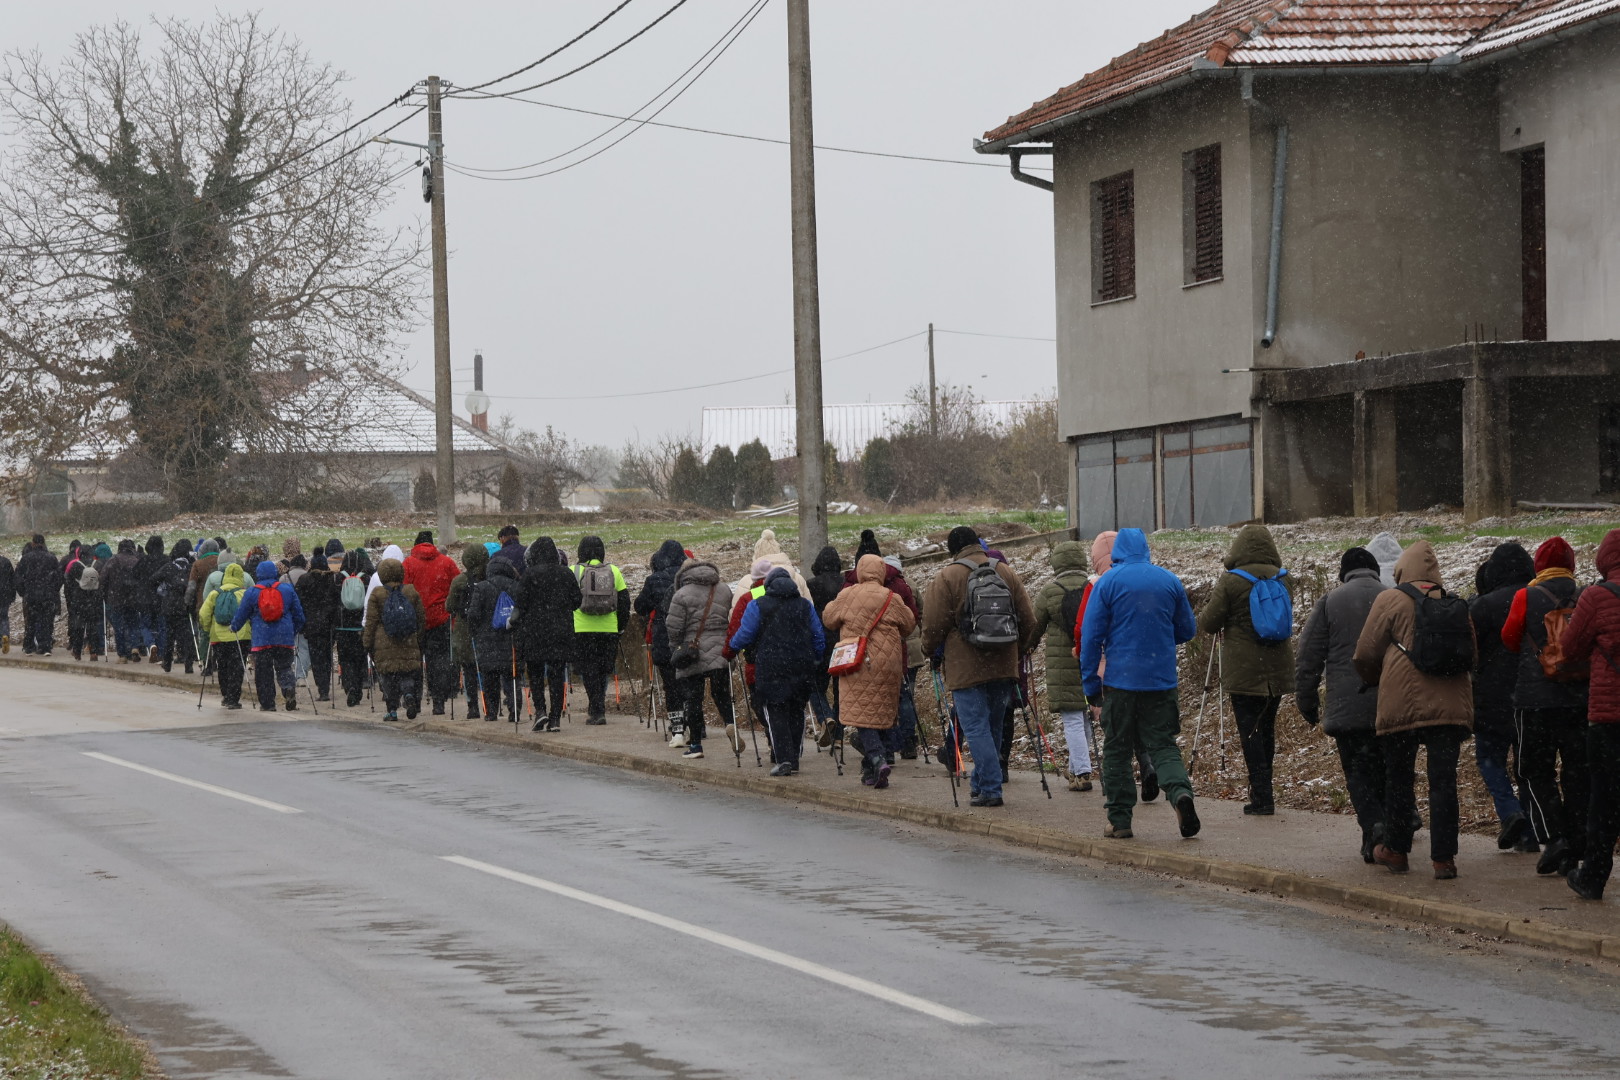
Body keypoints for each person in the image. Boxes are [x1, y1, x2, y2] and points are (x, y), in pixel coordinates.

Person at [1353, 541, 1474, 879]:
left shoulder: (1390, 599)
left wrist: (1377, 679)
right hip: (1450, 707)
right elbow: (1473, 653)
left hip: (1401, 704)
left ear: (1402, 569)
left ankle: (1396, 850)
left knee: (1399, 779)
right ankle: (1444, 860)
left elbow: (1364, 652)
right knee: (1444, 782)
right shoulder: (1453, 604)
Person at [1079, 528, 1201, 839]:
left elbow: (1091, 638)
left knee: (1117, 749)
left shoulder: (1107, 583)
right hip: (1160, 682)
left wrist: (1091, 686)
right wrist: (1157, 637)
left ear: (1117, 551)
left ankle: (1120, 820)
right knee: (1162, 744)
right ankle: (1180, 796)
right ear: (1146, 549)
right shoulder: (1169, 580)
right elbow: (1187, 629)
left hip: (1120, 683)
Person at [921, 526, 1039, 809]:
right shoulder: (1005, 572)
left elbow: (934, 625)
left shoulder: (948, 576)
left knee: (975, 727)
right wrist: (1018, 650)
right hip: (1004, 663)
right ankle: (980, 784)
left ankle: (990, 788)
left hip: (966, 666)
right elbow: (1029, 621)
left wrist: (929, 650)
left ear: (953, 549)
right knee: (993, 726)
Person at [1502, 536, 1591, 877]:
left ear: (1538, 565)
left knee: (1533, 771)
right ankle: (1577, 840)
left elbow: (1510, 639)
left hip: (1535, 700)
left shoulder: (1526, 595)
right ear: (1571, 564)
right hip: (1578, 698)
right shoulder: (1584, 595)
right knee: (1577, 772)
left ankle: (1554, 837)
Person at [1198, 524, 1297, 815]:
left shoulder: (1231, 581)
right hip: (1277, 669)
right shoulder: (1285, 578)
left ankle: (1262, 797)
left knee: (1250, 732)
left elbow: (1208, 622)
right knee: (1266, 730)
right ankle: (1266, 792)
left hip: (1244, 672)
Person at [1296, 547, 1388, 862]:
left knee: (1358, 771)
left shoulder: (1330, 602)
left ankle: (1373, 827)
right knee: (1388, 769)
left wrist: (1306, 697)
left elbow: (1309, 655)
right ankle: (1392, 826)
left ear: (1343, 573)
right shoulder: (1392, 598)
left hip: (1348, 708)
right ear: (1375, 570)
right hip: (1389, 704)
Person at [1558, 528, 1620, 900]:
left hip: (1608, 717)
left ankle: (1594, 876)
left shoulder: (1596, 597)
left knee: (1605, 799)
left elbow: (1569, 648)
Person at [823, 554, 917, 787]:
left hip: (858, 661)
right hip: (888, 663)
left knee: (861, 713)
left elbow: (829, 619)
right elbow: (909, 623)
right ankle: (872, 771)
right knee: (883, 712)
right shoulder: (891, 597)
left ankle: (876, 756)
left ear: (860, 571)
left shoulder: (847, 594)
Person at [1469, 542, 1538, 853]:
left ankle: (1510, 812)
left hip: (1491, 699)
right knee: (1528, 766)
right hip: (1533, 696)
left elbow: (1470, 654)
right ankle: (1531, 833)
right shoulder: (1540, 598)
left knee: (1490, 761)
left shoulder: (1483, 606)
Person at [730, 567, 826, 777]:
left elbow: (745, 634)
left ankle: (784, 759)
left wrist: (732, 646)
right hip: (801, 665)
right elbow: (818, 635)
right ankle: (794, 757)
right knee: (796, 709)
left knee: (776, 711)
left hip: (771, 666)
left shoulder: (758, 604)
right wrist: (816, 658)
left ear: (768, 585)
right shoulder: (804, 605)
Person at [1029, 540, 1093, 791]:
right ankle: (1077, 769)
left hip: (1062, 662)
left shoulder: (1050, 591)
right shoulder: (1093, 587)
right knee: (1085, 717)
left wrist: (1026, 649)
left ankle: (1084, 772)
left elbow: (1035, 628)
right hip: (1090, 659)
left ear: (1057, 563)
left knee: (1073, 719)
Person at [663, 557, 735, 759]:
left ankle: (696, 745)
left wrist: (676, 647)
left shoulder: (681, 594)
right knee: (721, 694)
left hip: (692, 651)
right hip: (720, 650)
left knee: (693, 699)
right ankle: (731, 724)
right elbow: (732, 617)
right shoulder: (724, 590)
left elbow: (673, 626)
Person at [517, 537, 581, 731]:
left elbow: (521, 604)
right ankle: (555, 718)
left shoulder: (529, 575)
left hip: (535, 631)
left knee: (535, 673)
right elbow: (577, 601)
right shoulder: (565, 574)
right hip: (560, 631)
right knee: (556, 675)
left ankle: (540, 711)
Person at [232, 559, 307, 712]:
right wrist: (293, 631)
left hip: (261, 639)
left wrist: (234, 626)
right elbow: (299, 616)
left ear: (258, 574)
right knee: (284, 667)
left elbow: (242, 614)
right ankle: (287, 689)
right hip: (284, 637)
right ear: (275, 572)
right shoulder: (286, 589)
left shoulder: (252, 592)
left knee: (263, 672)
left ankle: (268, 704)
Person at [570, 536, 630, 726]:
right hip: (608, 629)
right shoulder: (613, 571)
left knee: (588, 670)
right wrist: (620, 627)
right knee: (603, 669)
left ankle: (595, 707)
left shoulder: (574, 571)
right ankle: (599, 705)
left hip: (582, 629)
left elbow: (567, 601)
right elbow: (624, 602)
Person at [362, 556, 426, 722]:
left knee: (389, 678)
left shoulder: (378, 594)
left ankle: (392, 711)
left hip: (384, 642)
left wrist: (367, 642)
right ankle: (409, 694)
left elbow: (371, 622)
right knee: (406, 674)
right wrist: (418, 639)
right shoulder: (411, 591)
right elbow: (420, 618)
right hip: (408, 640)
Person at [634, 539, 690, 727]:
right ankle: (696, 725)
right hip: (688, 638)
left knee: (670, 686)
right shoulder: (689, 577)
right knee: (689, 684)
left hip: (664, 638)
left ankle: (677, 727)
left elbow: (640, 606)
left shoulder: (655, 579)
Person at [403, 530, 461, 714]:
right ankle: (438, 702)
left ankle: (415, 700)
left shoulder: (408, 564)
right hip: (441, 619)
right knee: (439, 662)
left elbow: (402, 592)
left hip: (415, 620)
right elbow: (458, 586)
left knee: (415, 662)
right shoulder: (447, 562)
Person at [467, 554, 523, 721]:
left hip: (487, 641)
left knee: (490, 678)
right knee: (512, 677)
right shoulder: (516, 586)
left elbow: (473, 614)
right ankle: (514, 710)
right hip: (511, 640)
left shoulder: (482, 587)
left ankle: (491, 711)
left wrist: (475, 631)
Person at [198, 563, 253, 709]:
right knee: (237, 666)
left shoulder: (215, 594)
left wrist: (208, 628)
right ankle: (233, 698)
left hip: (218, 637)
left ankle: (225, 695)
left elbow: (203, 615)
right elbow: (251, 614)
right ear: (241, 577)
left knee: (222, 665)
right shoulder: (244, 593)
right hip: (240, 635)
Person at [446, 543, 489, 719]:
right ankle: (491, 705)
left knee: (470, 671)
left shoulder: (459, 581)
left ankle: (473, 707)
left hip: (465, 630)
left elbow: (449, 607)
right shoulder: (489, 578)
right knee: (487, 670)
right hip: (486, 629)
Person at [295, 551, 341, 701]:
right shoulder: (331, 581)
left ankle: (322, 689)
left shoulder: (304, 580)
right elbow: (336, 604)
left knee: (316, 659)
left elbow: (299, 603)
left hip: (312, 626)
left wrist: (301, 623)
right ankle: (325, 688)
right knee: (327, 657)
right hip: (328, 626)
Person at [730, 528, 810, 601]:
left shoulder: (747, 581)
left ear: (756, 555)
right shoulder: (798, 578)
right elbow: (809, 607)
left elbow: (737, 613)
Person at [334, 544, 369, 708]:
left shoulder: (338, 578)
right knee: (360, 658)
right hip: (360, 627)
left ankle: (350, 687)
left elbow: (332, 602)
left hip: (343, 627)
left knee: (346, 659)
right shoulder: (366, 578)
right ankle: (360, 686)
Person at [155, 541, 196, 674]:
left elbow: (153, 579)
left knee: (169, 635)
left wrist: (163, 589)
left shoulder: (168, 567)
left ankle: (167, 663)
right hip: (185, 605)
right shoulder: (190, 567)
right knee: (187, 636)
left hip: (169, 605)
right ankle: (188, 663)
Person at [17, 535, 62, 656]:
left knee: (31, 621)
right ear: (43, 543)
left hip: (31, 594)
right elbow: (59, 576)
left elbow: (19, 577)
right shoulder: (51, 558)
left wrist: (23, 592)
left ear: (33, 543)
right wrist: (53, 590)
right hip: (47, 594)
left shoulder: (26, 558)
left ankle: (29, 646)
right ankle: (45, 646)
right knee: (46, 621)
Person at [62, 542, 104, 661]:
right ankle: (94, 652)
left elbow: (68, 583)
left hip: (79, 601)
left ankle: (77, 651)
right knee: (93, 627)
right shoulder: (97, 565)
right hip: (94, 600)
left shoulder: (75, 565)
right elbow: (101, 581)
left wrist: (72, 598)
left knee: (78, 627)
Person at [134, 535, 165, 661]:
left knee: (144, 625)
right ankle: (161, 652)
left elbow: (134, 575)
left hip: (145, 599)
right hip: (161, 598)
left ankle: (151, 644)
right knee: (161, 626)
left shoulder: (143, 561)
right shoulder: (165, 560)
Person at [363, 544, 404, 624]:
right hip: (402, 624)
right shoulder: (404, 575)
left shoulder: (376, 576)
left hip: (381, 624)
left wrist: (365, 623)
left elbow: (368, 603)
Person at [0, 548, 13, 653]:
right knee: (4, 617)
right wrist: (12, 595)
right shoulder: (6, 562)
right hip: (4, 594)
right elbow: (12, 579)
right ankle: (5, 634)